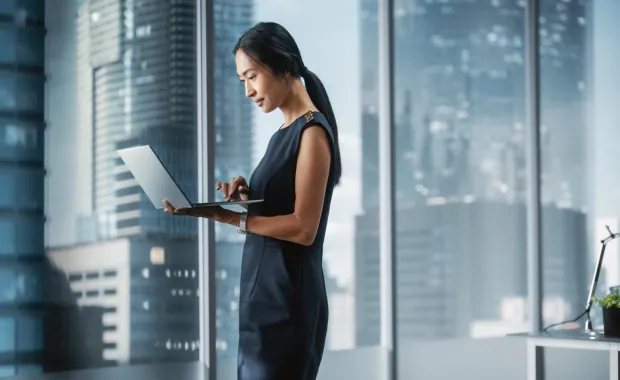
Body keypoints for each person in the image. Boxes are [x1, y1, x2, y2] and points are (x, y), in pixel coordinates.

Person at [162, 22, 342, 380]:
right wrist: (247, 198)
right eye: (242, 80)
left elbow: (303, 228)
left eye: (252, 76)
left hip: (288, 305)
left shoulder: (312, 133)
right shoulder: (283, 134)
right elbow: (278, 209)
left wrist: (232, 219)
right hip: (261, 299)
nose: (247, 91)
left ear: (284, 66)